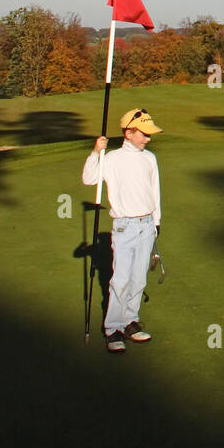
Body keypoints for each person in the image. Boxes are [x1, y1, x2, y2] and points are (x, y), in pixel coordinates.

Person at [82, 107, 163, 353]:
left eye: (149, 134)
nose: (148, 138)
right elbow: (89, 178)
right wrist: (97, 151)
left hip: (147, 224)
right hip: (125, 226)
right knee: (121, 279)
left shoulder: (150, 158)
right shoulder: (113, 158)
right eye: (144, 134)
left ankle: (130, 321)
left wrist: (156, 221)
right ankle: (113, 328)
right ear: (128, 133)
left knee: (138, 278)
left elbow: (154, 191)